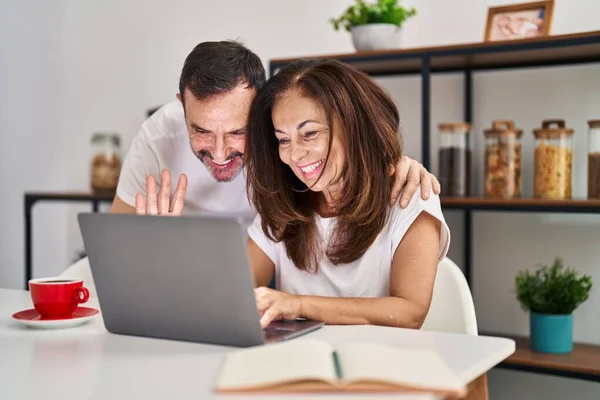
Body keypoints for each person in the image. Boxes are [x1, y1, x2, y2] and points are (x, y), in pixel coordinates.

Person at [113, 40, 440, 220]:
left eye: (237, 133)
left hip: (269, 270)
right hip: (187, 271)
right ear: (181, 107)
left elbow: (337, 150)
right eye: (201, 131)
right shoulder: (158, 135)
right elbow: (117, 243)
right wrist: (154, 244)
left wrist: (395, 163)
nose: (220, 152)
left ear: (261, 110)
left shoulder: (282, 130)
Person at [244, 58, 451, 329]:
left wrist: (298, 304)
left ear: (353, 127)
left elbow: (410, 312)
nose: (294, 154)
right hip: (301, 365)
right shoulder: (284, 207)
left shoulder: (409, 196)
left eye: (309, 133)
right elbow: (236, 296)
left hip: (383, 365)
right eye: (283, 139)